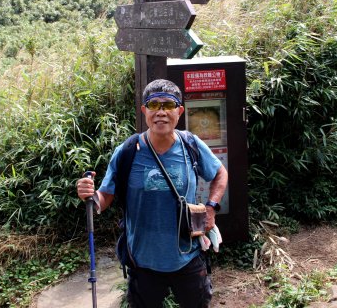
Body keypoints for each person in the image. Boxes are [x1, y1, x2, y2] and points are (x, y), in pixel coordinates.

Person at [77, 79, 228, 307]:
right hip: (143, 262)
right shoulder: (127, 151)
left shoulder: (191, 145)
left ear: (179, 111)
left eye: (168, 105)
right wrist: (89, 195)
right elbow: (104, 197)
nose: (160, 112)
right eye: (153, 104)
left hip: (187, 255)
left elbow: (220, 174)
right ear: (144, 110)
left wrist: (211, 207)